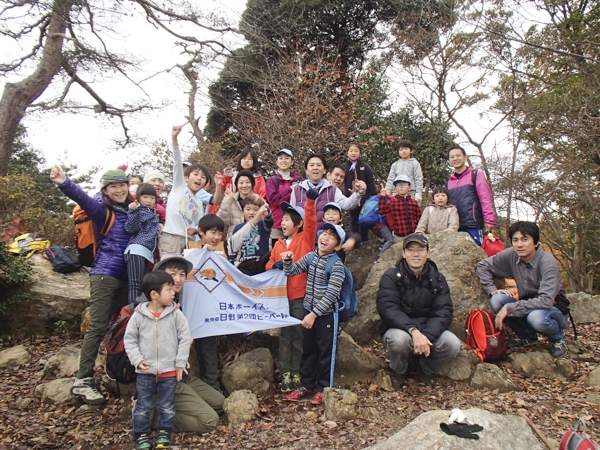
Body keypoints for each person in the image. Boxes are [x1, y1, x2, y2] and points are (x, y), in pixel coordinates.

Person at [50, 166, 133, 404]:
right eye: (113, 186)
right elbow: (82, 198)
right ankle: (83, 379)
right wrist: (64, 182)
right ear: (105, 191)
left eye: (122, 185)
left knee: (138, 317)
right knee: (97, 325)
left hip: (127, 277)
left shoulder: (133, 210)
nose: (119, 190)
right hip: (105, 274)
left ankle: (128, 369)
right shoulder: (102, 211)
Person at [146, 254, 225, 435]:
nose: (178, 279)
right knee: (209, 421)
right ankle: (152, 415)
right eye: (173, 274)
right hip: (164, 380)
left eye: (182, 274)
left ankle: (167, 406)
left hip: (183, 376)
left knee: (221, 403)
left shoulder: (176, 305)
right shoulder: (151, 308)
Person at [376, 234, 461, 386]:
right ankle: (398, 370)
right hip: (400, 329)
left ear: (428, 253)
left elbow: (444, 311)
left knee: (452, 343)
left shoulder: (438, 278)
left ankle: (425, 368)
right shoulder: (391, 276)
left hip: (428, 330)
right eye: (411, 250)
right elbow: (388, 308)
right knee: (398, 341)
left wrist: (425, 336)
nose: (416, 254)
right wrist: (413, 331)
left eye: (420, 250)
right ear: (404, 253)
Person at [476, 221, 570, 357]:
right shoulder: (512, 255)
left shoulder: (547, 262)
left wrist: (509, 308)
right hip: (527, 304)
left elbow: (546, 301)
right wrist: (492, 289)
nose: (519, 244)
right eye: (515, 240)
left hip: (553, 309)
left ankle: (558, 339)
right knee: (497, 300)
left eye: (525, 240)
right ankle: (527, 335)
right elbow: (483, 265)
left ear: (536, 243)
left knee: (536, 317)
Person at [124, 271, 191, 450]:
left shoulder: (176, 314)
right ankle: (141, 435)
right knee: (143, 405)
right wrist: (137, 360)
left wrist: (180, 363)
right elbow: (129, 340)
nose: (173, 293)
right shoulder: (138, 316)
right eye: (168, 289)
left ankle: (164, 434)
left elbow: (185, 338)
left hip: (169, 371)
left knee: (167, 405)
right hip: (145, 372)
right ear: (154, 294)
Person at [283, 223, 346, 405]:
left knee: (325, 351)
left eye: (331, 237)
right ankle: (306, 385)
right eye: (324, 233)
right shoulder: (311, 257)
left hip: (326, 316)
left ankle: (323, 389)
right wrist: (288, 259)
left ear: (337, 246)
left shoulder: (337, 265)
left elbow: (331, 294)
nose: (325, 238)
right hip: (309, 313)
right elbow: (292, 271)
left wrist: (314, 314)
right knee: (308, 350)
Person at [267, 193, 318, 393]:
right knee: (285, 337)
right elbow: (269, 263)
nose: (283, 222)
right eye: (283, 219)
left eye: (288, 219)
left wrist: (311, 202)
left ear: (298, 223)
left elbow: (312, 222)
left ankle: (297, 372)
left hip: (299, 297)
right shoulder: (278, 244)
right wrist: (275, 265)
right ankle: (285, 372)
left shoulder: (305, 240)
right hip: (281, 298)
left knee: (298, 336)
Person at [159, 125, 223, 255]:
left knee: (185, 272)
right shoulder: (179, 186)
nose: (199, 178)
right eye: (196, 174)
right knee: (168, 268)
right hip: (171, 236)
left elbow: (200, 224)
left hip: (189, 240)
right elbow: (177, 161)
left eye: (203, 177)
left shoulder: (198, 202)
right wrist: (174, 138)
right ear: (186, 178)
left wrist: (194, 229)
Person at [192, 214, 227, 389]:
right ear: (200, 232)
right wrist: (201, 253)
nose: (216, 237)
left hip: (211, 311)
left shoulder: (221, 252)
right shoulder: (190, 251)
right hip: (192, 311)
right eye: (212, 232)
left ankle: (212, 386)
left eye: (219, 233)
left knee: (208, 348)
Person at [290, 154, 366, 230]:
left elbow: (346, 204)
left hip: (326, 237)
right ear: (306, 170)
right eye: (312, 165)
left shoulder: (333, 189)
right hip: (302, 237)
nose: (315, 168)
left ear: (324, 170)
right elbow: (291, 215)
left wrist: (358, 193)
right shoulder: (297, 190)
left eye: (319, 165)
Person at [446, 145, 496, 246]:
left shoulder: (476, 174)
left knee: (477, 255)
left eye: (458, 155)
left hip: (473, 224)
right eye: (452, 157)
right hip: (454, 226)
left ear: (465, 157)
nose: (455, 158)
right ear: (449, 161)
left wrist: (489, 219)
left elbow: (485, 198)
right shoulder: (449, 181)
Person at [124, 183, 161, 305]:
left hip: (146, 253)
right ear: (138, 197)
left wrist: (159, 225)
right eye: (145, 197)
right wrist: (133, 211)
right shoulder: (138, 211)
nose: (149, 200)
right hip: (137, 250)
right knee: (135, 284)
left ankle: (140, 309)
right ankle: (133, 311)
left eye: (152, 198)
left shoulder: (151, 213)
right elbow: (130, 228)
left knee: (143, 284)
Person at [376, 175, 421, 260]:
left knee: (413, 256)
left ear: (409, 187)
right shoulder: (392, 202)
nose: (401, 186)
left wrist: (419, 231)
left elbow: (419, 218)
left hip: (413, 235)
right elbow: (381, 211)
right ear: (395, 188)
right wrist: (382, 196)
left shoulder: (414, 203)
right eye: (398, 184)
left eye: (404, 184)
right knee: (400, 257)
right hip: (398, 236)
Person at [266, 148, 302, 247]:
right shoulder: (271, 181)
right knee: (275, 253)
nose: (283, 161)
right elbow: (273, 200)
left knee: (294, 252)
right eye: (280, 158)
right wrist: (289, 189)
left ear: (292, 162)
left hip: (295, 224)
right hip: (277, 224)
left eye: (287, 158)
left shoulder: (298, 180)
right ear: (277, 162)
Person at [342, 142, 378, 241]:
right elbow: (340, 181)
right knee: (353, 220)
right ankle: (355, 240)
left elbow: (370, 181)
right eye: (351, 151)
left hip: (364, 198)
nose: (353, 153)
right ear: (347, 153)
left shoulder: (364, 166)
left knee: (364, 219)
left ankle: (365, 240)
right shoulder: (344, 167)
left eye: (356, 151)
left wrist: (374, 194)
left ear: (360, 153)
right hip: (350, 198)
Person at [228, 198, 273, 275]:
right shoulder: (238, 228)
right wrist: (231, 263)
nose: (251, 212)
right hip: (244, 264)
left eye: (256, 210)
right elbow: (233, 247)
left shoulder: (263, 225)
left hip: (260, 262)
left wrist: (267, 212)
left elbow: (270, 220)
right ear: (242, 212)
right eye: (248, 209)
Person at [217, 170, 258, 239]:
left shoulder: (259, 201)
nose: (244, 185)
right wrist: (227, 200)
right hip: (234, 242)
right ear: (237, 185)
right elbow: (220, 222)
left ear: (252, 184)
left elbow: (266, 226)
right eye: (241, 183)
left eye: (248, 182)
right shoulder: (231, 200)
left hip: (254, 242)